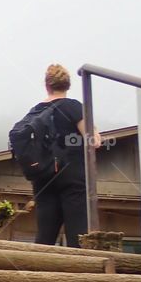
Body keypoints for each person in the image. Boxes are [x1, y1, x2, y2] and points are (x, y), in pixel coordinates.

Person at [25, 64, 101, 248]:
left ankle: (38, 273)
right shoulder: (73, 107)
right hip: (72, 176)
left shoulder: (35, 111)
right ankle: (78, 273)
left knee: (45, 236)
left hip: (43, 176)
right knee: (77, 234)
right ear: (67, 85)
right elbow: (94, 141)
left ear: (47, 86)